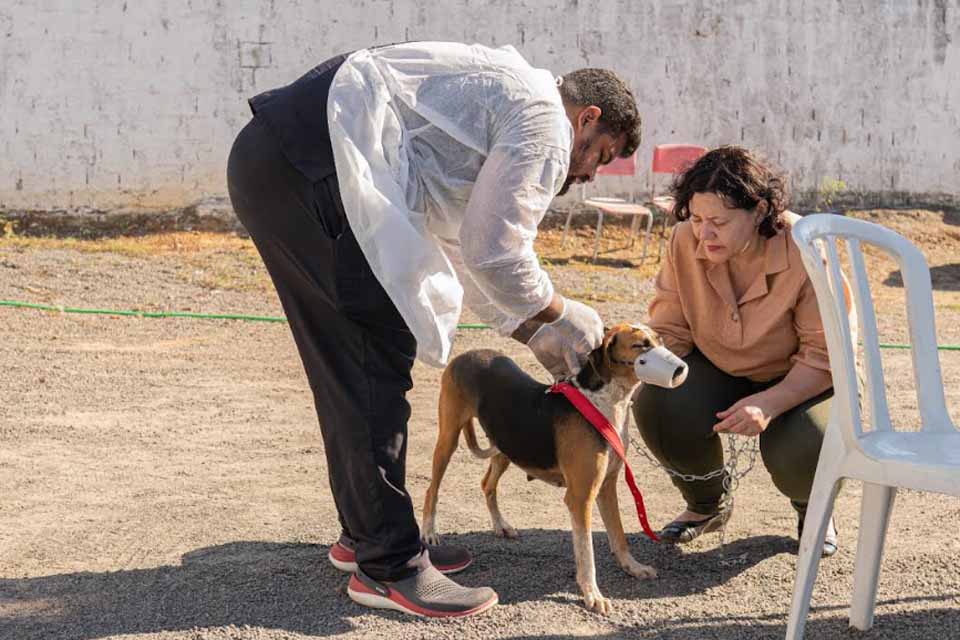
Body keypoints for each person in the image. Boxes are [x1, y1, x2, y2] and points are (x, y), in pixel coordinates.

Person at [226, 41, 642, 617]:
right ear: (587, 118)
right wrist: (562, 315)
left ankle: (368, 536)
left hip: (282, 161)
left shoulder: (508, 101)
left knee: (351, 362)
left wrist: (530, 329)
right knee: (373, 353)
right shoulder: (546, 122)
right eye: (603, 154)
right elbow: (494, 251)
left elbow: (465, 251)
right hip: (312, 167)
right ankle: (388, 565)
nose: (591, 173)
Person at [632, 146, 849, 557]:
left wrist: (768, 404)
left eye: (719, 222)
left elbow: (825, 358)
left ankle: (814, 509)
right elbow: (671, 330)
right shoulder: (684, 240)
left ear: (760, 210)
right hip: (719, 369)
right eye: (696, 219)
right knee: (656, 402)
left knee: (807, 443)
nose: (704, 234)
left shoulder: (806, 248)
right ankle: (706, 505)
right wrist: (632, 366)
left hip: (803, 379)